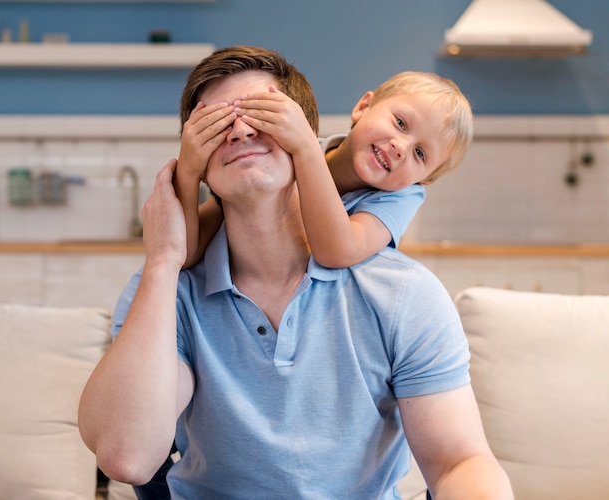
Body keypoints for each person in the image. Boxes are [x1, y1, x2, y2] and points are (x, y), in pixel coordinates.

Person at [78, 46, 513, 499]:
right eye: (219, 120)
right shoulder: (168, 293)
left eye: (261, 113)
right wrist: (163, 259)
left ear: (301, 132)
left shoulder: (403, 290)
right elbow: (125, 456)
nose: (242, 128)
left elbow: (460, 462)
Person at [175, 65, 472, 269]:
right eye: (400, 123)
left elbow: (337, 251)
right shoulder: (289, 152)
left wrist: (304, 149)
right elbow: (186, 250)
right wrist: (188, 172)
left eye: (420, 154)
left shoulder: (400, 198)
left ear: (424, 181)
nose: (400, 147)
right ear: (363, 107)